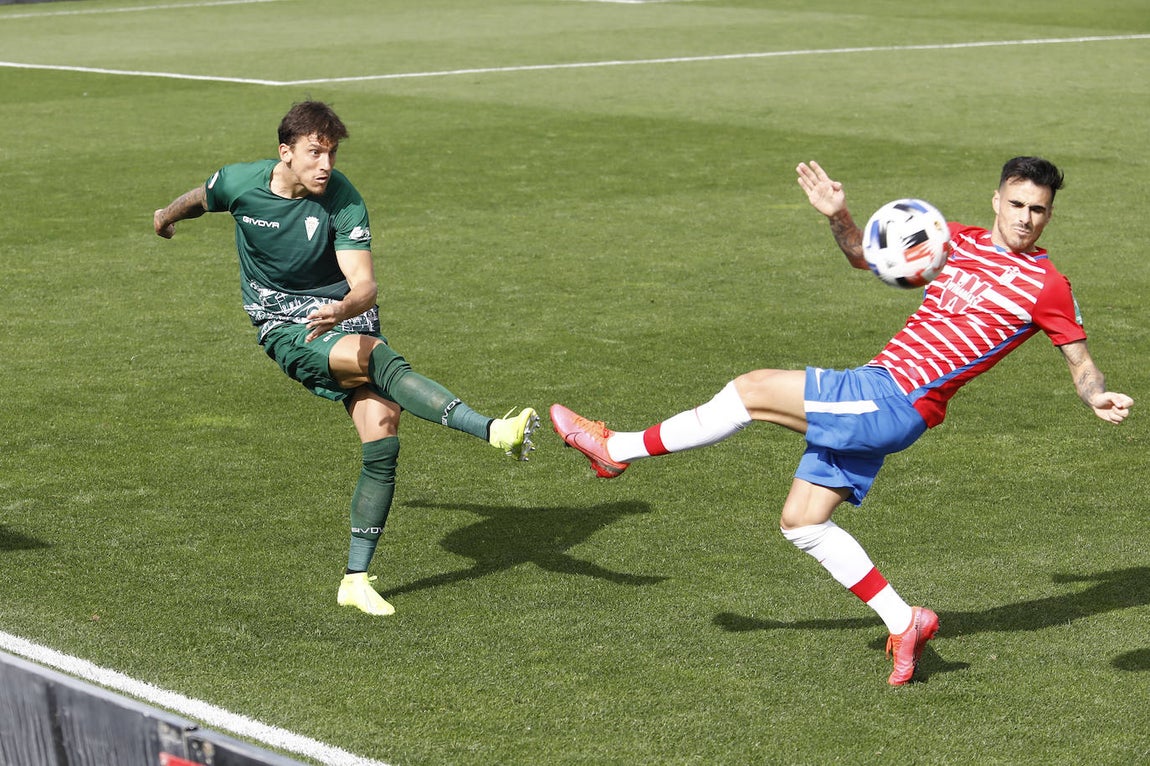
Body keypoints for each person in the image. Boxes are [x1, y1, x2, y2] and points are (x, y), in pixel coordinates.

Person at [550, 157, 1132, 685]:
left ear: (1050, 214)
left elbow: (1080, 360)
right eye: (1018, 204)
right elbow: (865, 255)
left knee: (751, 389)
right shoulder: (957, 240)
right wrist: (839, 215)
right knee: (803, 523)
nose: (1027, 218)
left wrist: (1096, 397)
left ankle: (617, 449)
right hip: (881, 391)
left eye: (1039, 210)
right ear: (996, 200)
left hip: (892, 398)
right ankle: (905, 621)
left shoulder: (1048, 285)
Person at [154, 101, 538, 618]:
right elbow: (201, 198)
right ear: (285, 153)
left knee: (382, 426)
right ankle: (493, 430)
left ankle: (355, 579)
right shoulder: (241, 182)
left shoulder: (343, 199)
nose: (325, 165)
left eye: (330, 153)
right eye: (314, 153)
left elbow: (365, 285)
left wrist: (345, 308)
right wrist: (165, 217)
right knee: (377, 358)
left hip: (343, 316)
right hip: (285, 324)